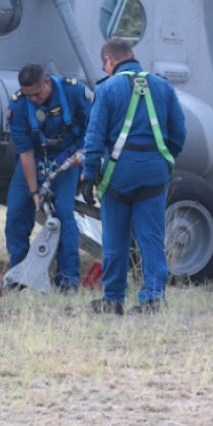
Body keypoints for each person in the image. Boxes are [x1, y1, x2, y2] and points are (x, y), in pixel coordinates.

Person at [79, 38, 187, 313]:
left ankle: (113, 299)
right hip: (154, 174)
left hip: (118, 174)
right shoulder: (163, 86)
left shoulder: (107, 89)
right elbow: (179, 133)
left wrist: (89, 175)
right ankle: (153, 297)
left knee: (115, 240)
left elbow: (94, 136)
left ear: (109, 61)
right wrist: (162, 158)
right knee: (152, 239)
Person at [5, 63, 91, 293]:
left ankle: (67, 279)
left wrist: (83, 152)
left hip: (68, 158)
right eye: (28, 95)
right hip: (34, 159)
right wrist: (34, 192)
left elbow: (92, 126)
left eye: (37, 94)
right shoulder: (19, 104)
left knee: (64, 213)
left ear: (47, 82)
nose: (33, 99)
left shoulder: (74, 92)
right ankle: (20, 275)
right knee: (16, 212)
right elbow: (25, 152)